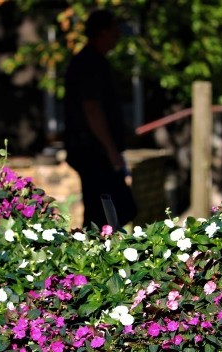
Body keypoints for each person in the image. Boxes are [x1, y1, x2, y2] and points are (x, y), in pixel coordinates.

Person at [64, 9, 137, 228]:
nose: (117, 36)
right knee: (111, 210)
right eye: (114, 31)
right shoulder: (90, 63)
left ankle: (98, 253)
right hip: (93, 151)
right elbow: (92, 109)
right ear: (102, 32)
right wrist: (111, 150)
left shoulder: (93, 62)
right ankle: (93, 255)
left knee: (108, 210)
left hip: (96, 150)